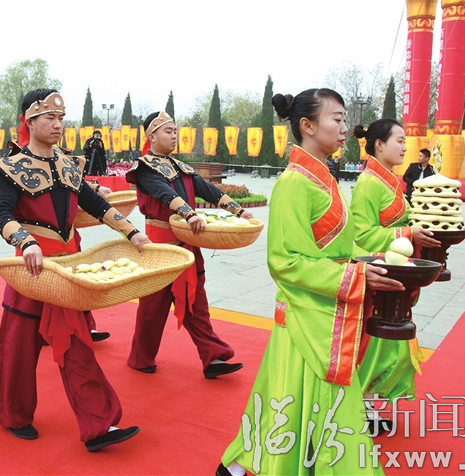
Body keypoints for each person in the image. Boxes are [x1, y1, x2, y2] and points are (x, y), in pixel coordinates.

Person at [218, 89, 402, 476]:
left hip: (325, 304)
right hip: (309, 308)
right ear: (307, 125)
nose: (344, 127)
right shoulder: (294, 183)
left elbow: (337, 245)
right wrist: (355, 276)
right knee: (305, 400)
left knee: (285, 396)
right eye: (336, 118)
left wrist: (370, 263)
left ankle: (237, 465)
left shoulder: (325, 180)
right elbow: (284, 261)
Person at [0, 89, 149, 451]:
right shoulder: (12, 168)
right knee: (19, 349)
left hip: (67, 270)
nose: (59, 125)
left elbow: (96, 204)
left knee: (76, 343)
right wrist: (26, 242)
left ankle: (99, 423)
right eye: (50, 118)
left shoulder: (68, 165)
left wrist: (133, 232)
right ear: (30, 122)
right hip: (30, 270)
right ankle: (11, 414)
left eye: (62, 118)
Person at [125, 111, 251, 379]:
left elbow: (208, 189)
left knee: (197, 304)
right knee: (152, 310)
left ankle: (213, 357)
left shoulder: (182, 167)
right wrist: (188, 213)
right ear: (151, 136)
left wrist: (239, 211)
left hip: (187, 245)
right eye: (168, 131)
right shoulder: (144, 169)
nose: (174, 135)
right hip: (159, 250)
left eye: (174, 130)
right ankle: (140, 357)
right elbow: (163, 192)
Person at [350, 120, 441, 434]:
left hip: (395, 270)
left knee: (390, 346)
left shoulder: (390, 181)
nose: (405, 147)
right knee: (374, 345)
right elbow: (362, 233)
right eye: (399, 140)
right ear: (379, 145)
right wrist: (408, 231)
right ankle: (358, 408)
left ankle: (368, 405)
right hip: (377, 273)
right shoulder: (368, 184)